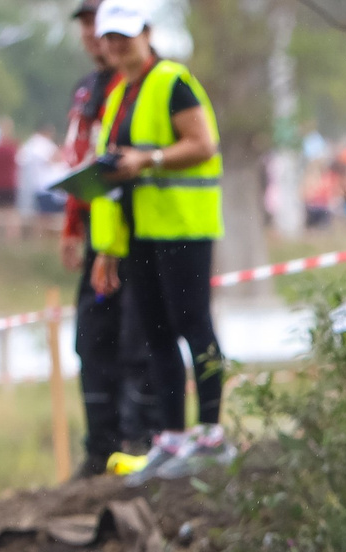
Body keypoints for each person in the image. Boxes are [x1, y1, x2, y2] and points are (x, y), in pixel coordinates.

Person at [88, 0, 225, 457]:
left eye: (124, 36)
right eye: (110, 38)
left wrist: (149, 160)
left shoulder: (171, 81)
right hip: (142, 232)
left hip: (183, 227)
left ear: (146, 34)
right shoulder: (118, 96)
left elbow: (203, 144)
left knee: (194, 326)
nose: (117, 46)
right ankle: (171, 438)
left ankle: (210, 432)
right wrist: (107, 248)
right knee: (157, 333)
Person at [59, 2, 124, 473]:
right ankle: (100, 447)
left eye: (95, 21)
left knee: (135, 339)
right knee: (91, 338)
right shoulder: (87, 88)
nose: (90, 32)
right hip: (95, 232)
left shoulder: (136, 84)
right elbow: (80, 161)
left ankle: (137, 440)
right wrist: (71, 227)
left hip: (130, 236)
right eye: (84, 23)